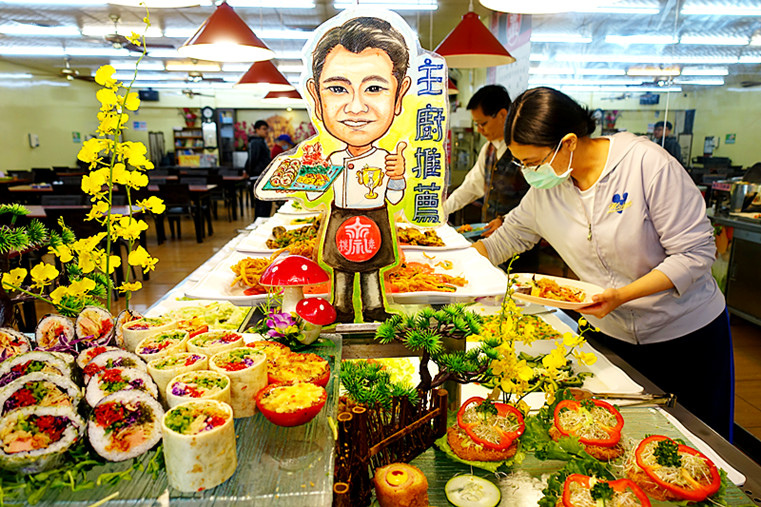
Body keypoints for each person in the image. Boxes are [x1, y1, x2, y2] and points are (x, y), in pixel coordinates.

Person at [474, 87, 733, 440]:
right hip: (612, 334)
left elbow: (696, 253)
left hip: (685, 335)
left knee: (701, 445)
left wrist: (623, 295)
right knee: (627, 438)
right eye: (522, 163)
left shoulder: (645, 165)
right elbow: (510, 237)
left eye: (533, 163)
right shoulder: (547, 190)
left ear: (567, 143)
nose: (529, 173)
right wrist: (455, 265)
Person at [305, 16, 412, 323]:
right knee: (340, 270)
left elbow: (394, 198)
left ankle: (375, 307)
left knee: (372, 271)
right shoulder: (333, 160)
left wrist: (397, 177)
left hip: (375, 216)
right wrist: (304, 178)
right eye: (337, 88)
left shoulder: (385, 158)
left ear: (399, 94)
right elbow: (313, 196)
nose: (355, 107)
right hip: (339, 215)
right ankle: (340, 308)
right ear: (316, 95)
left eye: (375, 87)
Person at [443, 85, 528, 238]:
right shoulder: (488, 148)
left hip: (520, 239)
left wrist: (505, 220)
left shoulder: (526, 152)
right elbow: (471, 186)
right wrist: (442, 211)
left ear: (502, 115)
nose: (479, 130)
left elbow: (534, 203)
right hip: (490, 236)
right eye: (477, 124)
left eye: (483, 124)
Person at [246, 120, 272, 218]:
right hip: (258, 176)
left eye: (267, 129)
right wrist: (249, 172)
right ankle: (259, 225)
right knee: (262, 204)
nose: (266, 132)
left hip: (262, 175)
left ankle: (262, 222)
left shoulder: (260, 141)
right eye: (264, 129)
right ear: (257, 130)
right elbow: (253, 159)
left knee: (265, 203)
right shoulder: (256, 142)